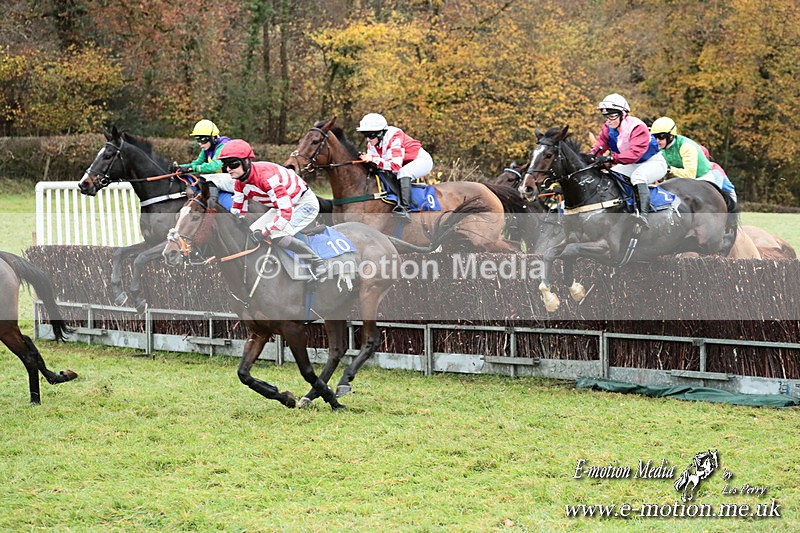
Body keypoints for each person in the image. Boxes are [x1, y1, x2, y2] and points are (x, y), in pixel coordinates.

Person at [219, 139, 328, 279]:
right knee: (253, 230)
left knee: (277, 234)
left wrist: (265, 232)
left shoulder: (267, 178)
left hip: (303, 203)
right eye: (225, 165)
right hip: (282, 205)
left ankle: (318, 263)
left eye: (233, 164)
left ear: (246, 162)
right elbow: (238, 209)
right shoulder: (239, 182)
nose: (228, 169)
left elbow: (285, 212)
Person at [588, 94, 667, 228]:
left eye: (612, 116)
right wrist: (590, 157)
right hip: (630, 163)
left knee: (638, 176)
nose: (609, 121)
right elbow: (600, 145)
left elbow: (635, 154)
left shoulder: (637, 127)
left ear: (623, 114)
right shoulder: (608, 128)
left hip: (653, 162)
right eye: (606, 117)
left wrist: (611, 158)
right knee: (610, 175)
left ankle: (643, 215)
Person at [356, 113, 433, 220]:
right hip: (403, 163)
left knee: (403, 173)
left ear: (380, 133)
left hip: (421, 160)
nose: (368, 139)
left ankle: (405, 208)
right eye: (365, 135)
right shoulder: (372, 143)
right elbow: (379, 165)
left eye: (370, 135)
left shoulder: (394, 137)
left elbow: (395, 166)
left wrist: (373, 159)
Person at [650, 116, 737, 209]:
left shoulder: (686, 147)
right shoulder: (660, 149)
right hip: (683, 180)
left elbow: (690, 174)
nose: (657, 140)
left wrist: (669, 170)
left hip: (703, 177)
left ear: (671, 136)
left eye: (661, 136)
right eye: (655, 137)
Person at [175, 119, 234, 205]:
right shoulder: (207, 148)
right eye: (197, 140)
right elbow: (196, 163)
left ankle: (212, 207)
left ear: (213, 138)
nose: (200, 143)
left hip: (235, 179)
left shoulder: (223, 145)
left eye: (202, 140)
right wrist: (180, 167)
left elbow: (215, 166)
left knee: (209, 181)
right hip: (221, 179)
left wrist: (192, 168)